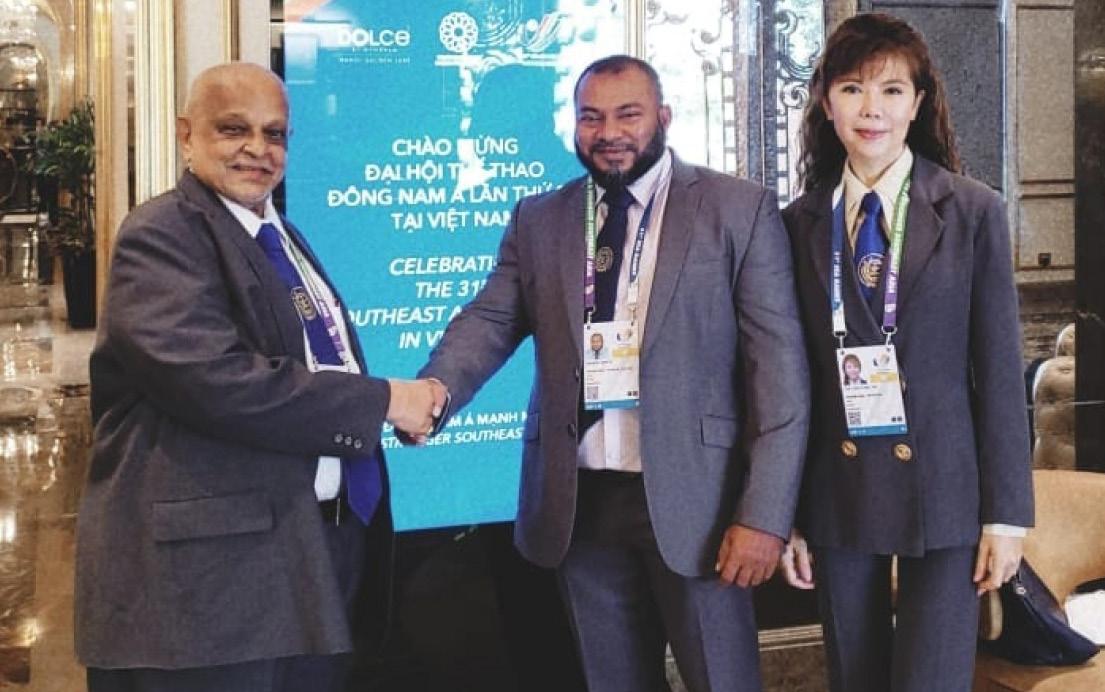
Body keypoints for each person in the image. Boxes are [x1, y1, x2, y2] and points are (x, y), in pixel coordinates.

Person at [419, 55, 810, 692]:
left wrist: (764, 514)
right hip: (580, 506)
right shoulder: (540, 219)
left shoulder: (737, 210)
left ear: (663, 116)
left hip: (701, 505)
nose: (609, 133)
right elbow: (490, 319)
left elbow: (780, 375)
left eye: (628, 114)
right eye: (591, 118)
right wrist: (434, 392)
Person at [74, 63, 444, 692]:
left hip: (304, 554)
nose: (258, 149)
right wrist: (384, 401)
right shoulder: (162, 233)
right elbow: (215, 380)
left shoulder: (278, 232)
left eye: (274, 134)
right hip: (210, 585)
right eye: (233, 129)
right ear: (186, 135)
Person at [778, 14, 1033, 692]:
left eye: (891, 90)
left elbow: (999, 374)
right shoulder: (795, 225)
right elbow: (787, 383)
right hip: (837, 490)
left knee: (933, 678)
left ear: (917, 104)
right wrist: (786, 514)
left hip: (946, 489)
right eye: (852, 88)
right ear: (825, 101)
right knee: (853, 676)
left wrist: (1006, 516)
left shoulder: (972, 211)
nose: (872, 109)